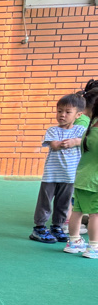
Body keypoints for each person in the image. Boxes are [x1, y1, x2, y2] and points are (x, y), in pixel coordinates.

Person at [32, 94, 86, 243]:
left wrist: (75, 142)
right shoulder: (53, 130)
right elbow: (54, 145)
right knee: (45, 202)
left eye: (68, 112)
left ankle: (57, 226)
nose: (62, 115)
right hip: (51, 175)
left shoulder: (80, 130)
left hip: (69, 176)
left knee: (63, 203)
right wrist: (64, 144)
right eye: (59, 111)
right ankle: (39, 227)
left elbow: (86, 141)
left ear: (78, 115)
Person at [64, 92, 98, 257]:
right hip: (95, 181)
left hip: (82, 177)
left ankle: (73, 241)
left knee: (77, 210)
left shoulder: (90, 128)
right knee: (95, 214)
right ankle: (94, 246)